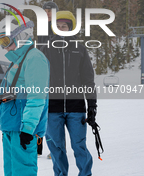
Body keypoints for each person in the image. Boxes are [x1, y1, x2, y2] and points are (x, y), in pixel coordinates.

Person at [41, 11, 97, 176]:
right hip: (52, 109)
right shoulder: (46, 50)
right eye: (57, 26)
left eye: (64, 26)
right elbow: (38, 80)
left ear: (71, 28)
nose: (60, 29)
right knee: (56, 148)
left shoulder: (79, 50)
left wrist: (92, 105)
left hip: (76, 108)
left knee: (79, 146)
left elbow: (88, 80)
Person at [0, 16, 50, 176]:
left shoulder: (34, 58)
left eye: (6, 41)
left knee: (23, 172)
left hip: (22, 129)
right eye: (1, 43)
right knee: (11, 172)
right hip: (11, 126)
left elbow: (37, 97)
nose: (4, 47)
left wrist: (27, 129)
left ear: (21, 35)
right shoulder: (17, 60)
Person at [36, 1, 59, 157]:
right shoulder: (42, 27)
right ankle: (39, 148)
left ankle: (55, 147)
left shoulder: (59, 26)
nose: (47, 13)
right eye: (45, 11)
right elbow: (40, 48)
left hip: (57, 72)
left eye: (50, 11)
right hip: (44, 72)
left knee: (55, 114)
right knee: (42, 111)